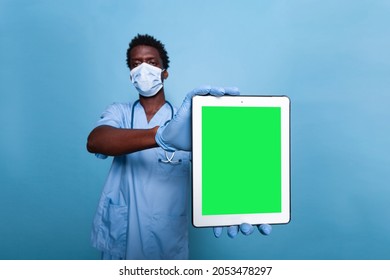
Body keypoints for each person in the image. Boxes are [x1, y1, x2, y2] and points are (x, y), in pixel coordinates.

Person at [87, 34, 271, 260]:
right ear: (131, 75)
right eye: (136, 64)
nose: (143, 68)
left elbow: (225, 166)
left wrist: (245, 200)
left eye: (152, 62)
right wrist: (161, 136)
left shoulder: (187, 122)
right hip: (122, 238)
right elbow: (96, 141)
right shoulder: (119, 112)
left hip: (168, 240)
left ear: (164, 72)